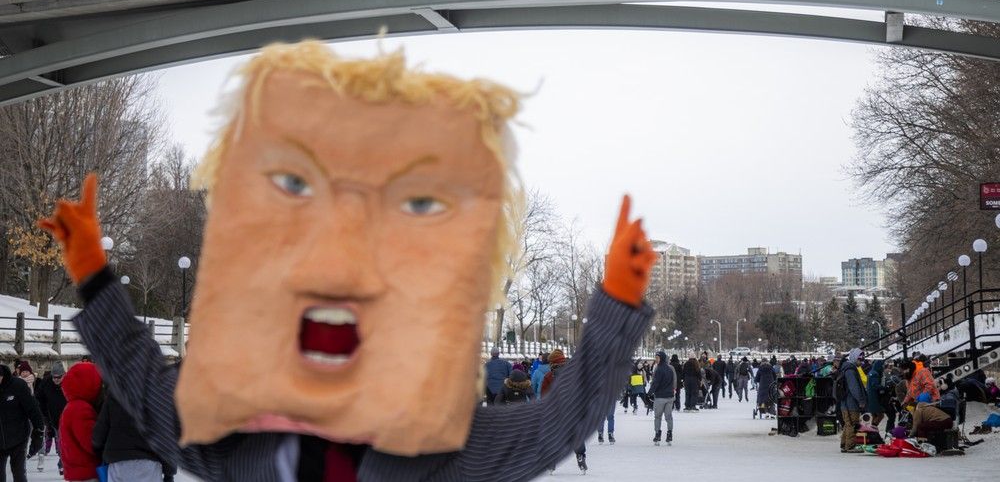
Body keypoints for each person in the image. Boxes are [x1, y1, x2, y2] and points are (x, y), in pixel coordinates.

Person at [39, 42, 658, 482]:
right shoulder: (240, 442)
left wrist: (615, 307)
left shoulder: (436, 454)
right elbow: (145, 389)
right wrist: (95, 281)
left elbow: (558, 422)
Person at [93, 390, 174, 482]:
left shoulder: (115, 393)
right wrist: (169, 474)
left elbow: (98, 436)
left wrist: (101, 454)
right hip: (148, 466)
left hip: (118, 466)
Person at [59, 361, 103, 482]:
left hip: (76, 471)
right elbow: (91, 442)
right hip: (87, 472)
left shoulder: (72, 406)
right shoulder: (81, 408)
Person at [0, 364, 45, 482]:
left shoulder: (17, 385)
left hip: (18, 438)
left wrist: (39, 432)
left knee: (19, 473)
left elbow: (33, 409)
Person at [34, 361, 68, 474]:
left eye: (59, 377)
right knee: (60, 441)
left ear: (64, 375)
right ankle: (62, 462)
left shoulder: (69, 382)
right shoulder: (46, 383)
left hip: (67, 418)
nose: (56, 380)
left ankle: (62, 463)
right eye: (54, 377)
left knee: (65, 442)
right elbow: (39, 398)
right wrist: (43, 414)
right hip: (52, 417)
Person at [838, 348, 867, 453]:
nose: (862, 362)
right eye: (860, 360)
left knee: (847, 423)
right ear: (855, 358)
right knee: (852, 423)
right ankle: (850, 446)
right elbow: (854, 387)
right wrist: (860, 400)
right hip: (850, 402)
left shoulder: (846, 368)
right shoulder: (850, 370)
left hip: (845, 402)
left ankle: (844, 444)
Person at [648, 350, 676, 445]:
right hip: (670, 396)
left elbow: (656, 383)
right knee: (669, 417)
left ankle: (657, 434)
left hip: (660, 397)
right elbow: (672, 381)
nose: (656, 359)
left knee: (658, 416)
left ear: (662, 358)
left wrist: (649, 393)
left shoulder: (659, 369)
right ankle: (669, 434)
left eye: (657, 358)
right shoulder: (670, 369)